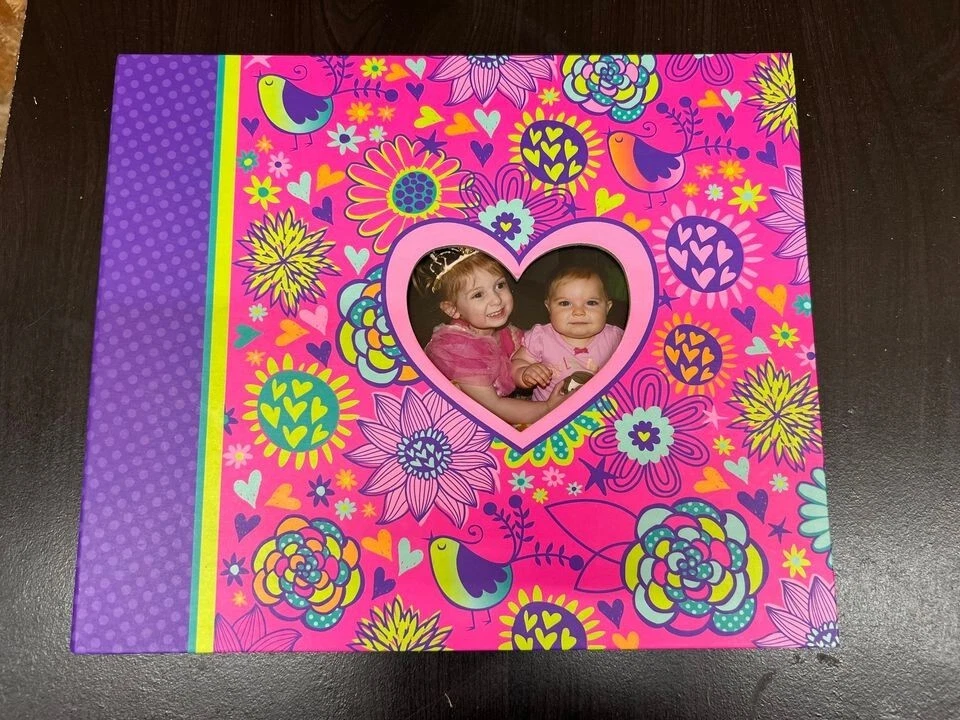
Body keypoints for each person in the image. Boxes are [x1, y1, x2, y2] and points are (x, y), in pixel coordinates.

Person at [415, 247, 564, 425]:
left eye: (499, 285)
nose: (496, 300)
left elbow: (529, 355)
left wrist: (527, 371)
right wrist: (548, 408)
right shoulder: (456, 349)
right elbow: (494, 407)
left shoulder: (505, 332)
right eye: (478, 295)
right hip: (461, 424)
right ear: (452, 309)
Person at [512, 266, 624, 400]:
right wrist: (524, 372)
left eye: (591, 303)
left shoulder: (616, 338)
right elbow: (517, 362)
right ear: (549, 308)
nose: (578, 312)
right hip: (549, 409)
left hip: (600, 407)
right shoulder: (541, 337)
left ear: (607, 308)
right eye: (565, 303)